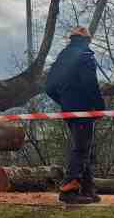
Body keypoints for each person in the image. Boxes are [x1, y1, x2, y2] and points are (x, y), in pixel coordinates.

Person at [45, 26, 105, 204]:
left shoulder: (61, 59)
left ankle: (87, 189)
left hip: (69, 110)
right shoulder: (85, 57)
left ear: (71, 39)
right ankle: (68, 191)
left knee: (82, 147)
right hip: (84, 109)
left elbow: (48, 87)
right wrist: (99, 106)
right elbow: (90, 84)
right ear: (87, 40)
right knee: (81, 149)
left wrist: (64, 102)